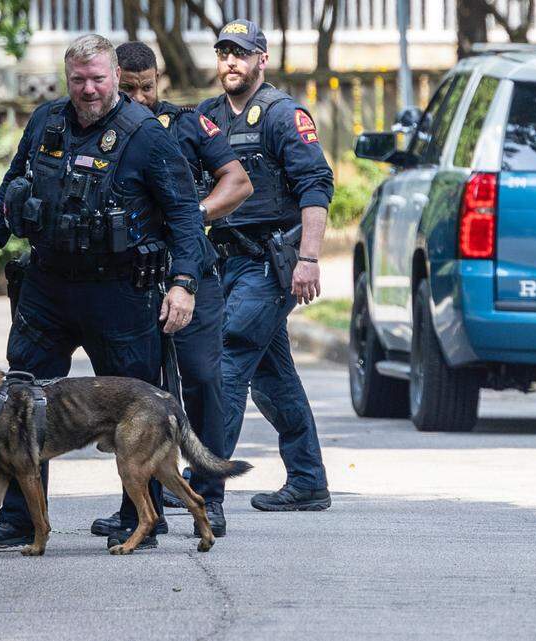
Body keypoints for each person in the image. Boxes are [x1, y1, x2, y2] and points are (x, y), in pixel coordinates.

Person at [0, 34, 204, 550]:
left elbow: (186, 215)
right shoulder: (46, 122)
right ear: (66, 78)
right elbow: (13, 183)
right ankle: (21, 519)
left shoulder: (146, 134)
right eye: (79, 80)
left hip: (118, 292)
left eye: (98, 78)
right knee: (21, 398)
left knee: (134, 403)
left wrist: (184, 284)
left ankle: (139, 517)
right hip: (48, 287)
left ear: (116, 77)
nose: (89, 89)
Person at [85, 41, 251, 538]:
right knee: (138, 395)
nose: (139, 97)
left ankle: (211, 497)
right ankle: (141, 509)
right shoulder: (95, 129)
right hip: (128, 280)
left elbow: (238, 182)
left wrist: (193, 214)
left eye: (147, 87)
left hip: (189, 273)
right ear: (113, 80)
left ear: (159, 81)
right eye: (129, 88)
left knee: (202, 381)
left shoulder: (185, 124)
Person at [199, 20, 334, 511]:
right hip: (224, 262)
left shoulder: (282, 114)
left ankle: (204, 486)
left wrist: (310, 259)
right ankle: (309, 480)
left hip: (269, 264)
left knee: (228, 363)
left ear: (262, 59)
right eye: (224, 53)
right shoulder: (209, 115)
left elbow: (317, 186)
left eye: (241, 53)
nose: (231, 62)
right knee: (273, 377)